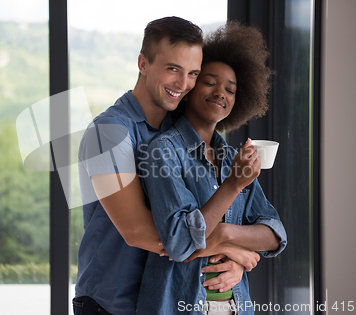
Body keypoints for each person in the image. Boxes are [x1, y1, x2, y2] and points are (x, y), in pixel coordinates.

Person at [136, 21, 287, 315]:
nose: (221, 93)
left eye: (231, 89)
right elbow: (179, 243)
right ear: (189, 89)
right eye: (209, 82)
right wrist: (233, 187)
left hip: (235, 307)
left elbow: (275, 234)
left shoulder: (234, 158)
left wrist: (226, 237)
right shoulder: (164, 151)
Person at [74, 16, 209, 315]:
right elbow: (138, 231)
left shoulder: (178, 130)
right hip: (111, 304)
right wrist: (229, 245)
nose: (183, 84)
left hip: (164, 300)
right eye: (173, 69)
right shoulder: (109, 132)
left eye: (193, 73)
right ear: (143, 63)